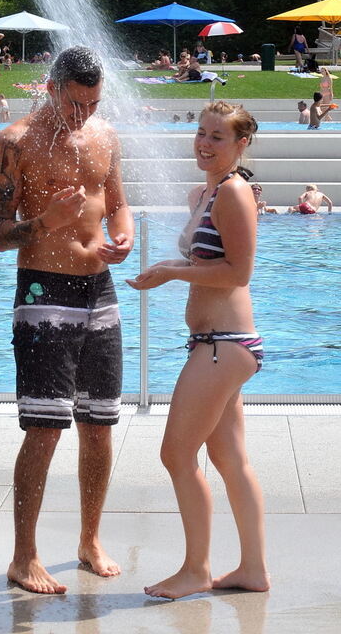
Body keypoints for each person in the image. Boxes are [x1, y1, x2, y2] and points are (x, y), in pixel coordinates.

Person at [0, 46, 134, 595]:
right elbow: (1, 235)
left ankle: (89, 540)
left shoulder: (105, 136)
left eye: (94, 104)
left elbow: (116, 201)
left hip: (100, 290)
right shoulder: (14, 142)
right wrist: (43, 221)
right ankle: (24, 556)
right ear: (51, 88)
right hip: (44, 290)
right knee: (46, 428)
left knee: (100, 426)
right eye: (76, 104)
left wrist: (126, 236)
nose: (84, 116)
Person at [127, 100, 269, 600]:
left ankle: (196, 569)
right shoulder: (205, 193)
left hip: (222, 345)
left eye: (218, 137)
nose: (205, 144)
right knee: (230, 458)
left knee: (176, 453)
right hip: (219, 344)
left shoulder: (232, 193)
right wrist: (168, 265)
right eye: (201, 134)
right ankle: (252, 569)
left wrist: (171, 273)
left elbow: (239, 273)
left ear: (241, 144)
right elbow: (209, 263)